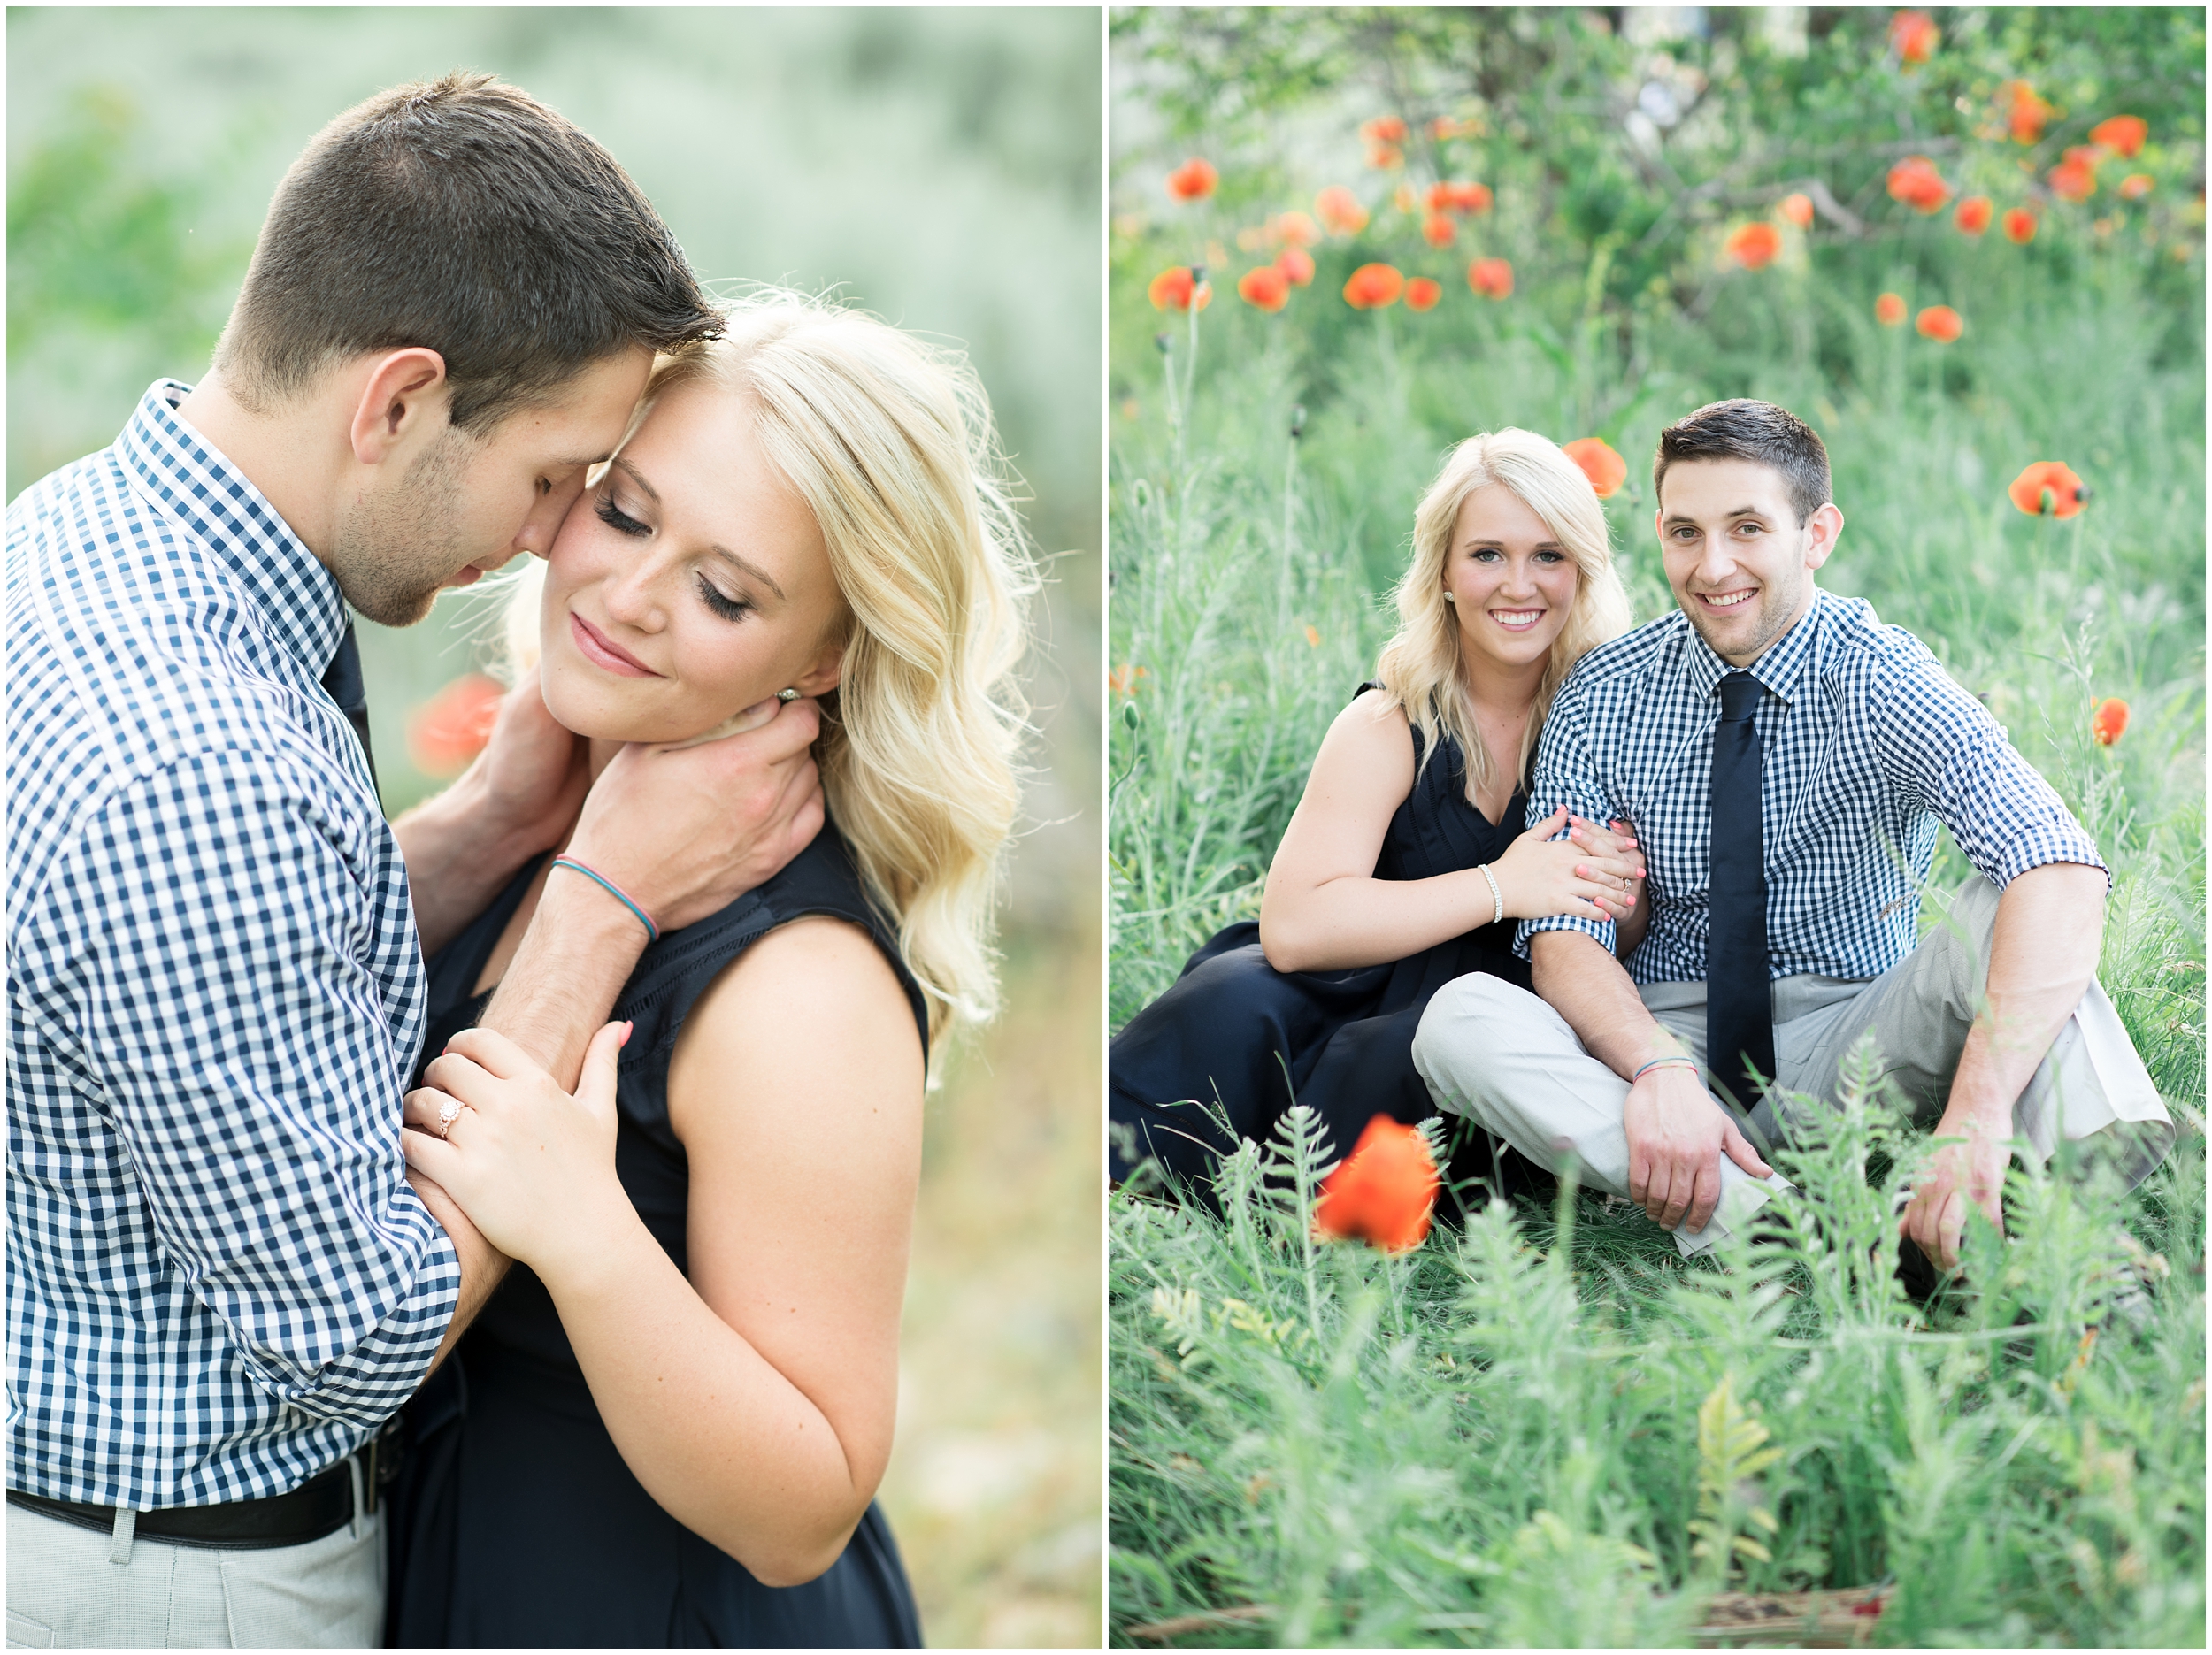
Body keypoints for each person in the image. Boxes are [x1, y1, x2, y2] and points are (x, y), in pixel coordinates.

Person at [5, 75, 827, 1649]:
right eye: (553, 478)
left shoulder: (82, 538)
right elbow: (354, 1333)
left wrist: (488, 827)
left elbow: (207, 974)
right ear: (396, 401)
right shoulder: (201, 762)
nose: (548, 541)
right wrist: (597, 904)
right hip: (180, 1588)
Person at [386, 291, 1031, 1647]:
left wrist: (586, 1232)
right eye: (625, 514)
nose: (628, 595)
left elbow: (806, 1501)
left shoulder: (797, 982)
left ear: (829, 655)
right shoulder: (551, 824)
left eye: (724, 589)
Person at [1413, 399, 2175, 1274]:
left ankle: (2080, 1213)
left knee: (2018, 900)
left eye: (1747, 528)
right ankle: (1786, 1236)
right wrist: (1658, 1070)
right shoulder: (1602, 691)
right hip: (1663, 1047)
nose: (1713, 565)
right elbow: (1564, 939)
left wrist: (1973, 1111)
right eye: (1685, 532)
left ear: (1816, 534)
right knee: (1458, 1018)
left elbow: (2057, 857)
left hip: (1857, 1038)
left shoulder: (1879, 674)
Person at [1109, 428, 1647, 1207]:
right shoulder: (1391, 723)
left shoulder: (1610, 719)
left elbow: (1626, 930)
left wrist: (1620, 901)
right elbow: (1293, 927)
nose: (1519, 585)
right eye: (1488, 554)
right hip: (1355, 976)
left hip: (1505, 1009)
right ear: (1445, 574)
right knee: (1232, 1003)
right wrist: (1503, 884)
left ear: (1582, 573)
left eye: (1549, 556)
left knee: (1410, 1058)